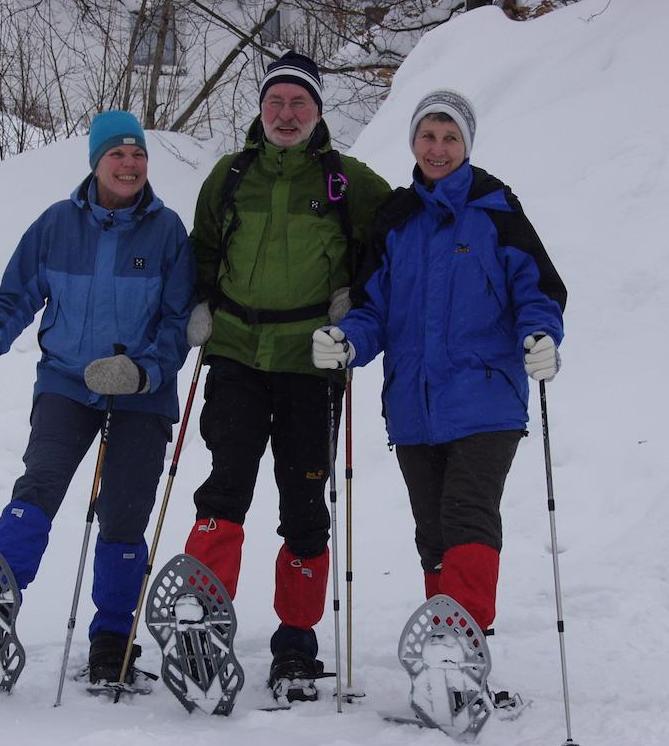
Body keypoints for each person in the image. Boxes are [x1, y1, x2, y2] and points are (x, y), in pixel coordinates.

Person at [0, 110, 194, 685]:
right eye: (117, 154)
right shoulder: (57, 225)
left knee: (125, 515)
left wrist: (141, 373)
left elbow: (178, 323)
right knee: (39, 484)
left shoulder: (167, 232)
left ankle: (112, 640)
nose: (129, 164)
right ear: (96, 161)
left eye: (138, 154)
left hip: (139, 395)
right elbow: (16, 296)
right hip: (66, 383)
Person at [312, 88, 567, 637]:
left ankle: (464, 645)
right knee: (432, 532)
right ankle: (446, 648)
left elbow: (537, 290)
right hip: (413, 405)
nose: (438, 147)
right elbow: (373, 307)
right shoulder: (396, 219)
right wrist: (349, 341)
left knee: (466, 516)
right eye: (429, 135)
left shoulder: (496, 208)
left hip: (486, 397)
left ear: (467, 145)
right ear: (414, 142)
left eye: (451, 137)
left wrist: (541, 335)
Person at [181, 51, 392, 702]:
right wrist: (199, 305)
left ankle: (296, 644)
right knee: (223, 492)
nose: (286, 114)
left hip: (310, 361)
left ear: (318, 112)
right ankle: (200, 626)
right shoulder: (229, 176)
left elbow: (394, 242)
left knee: (305, 506)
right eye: (276, 101)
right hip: (239, 353)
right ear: (261, 108)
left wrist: (355, 302)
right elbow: (204, 250)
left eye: (300, 103)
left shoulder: (347, 181)